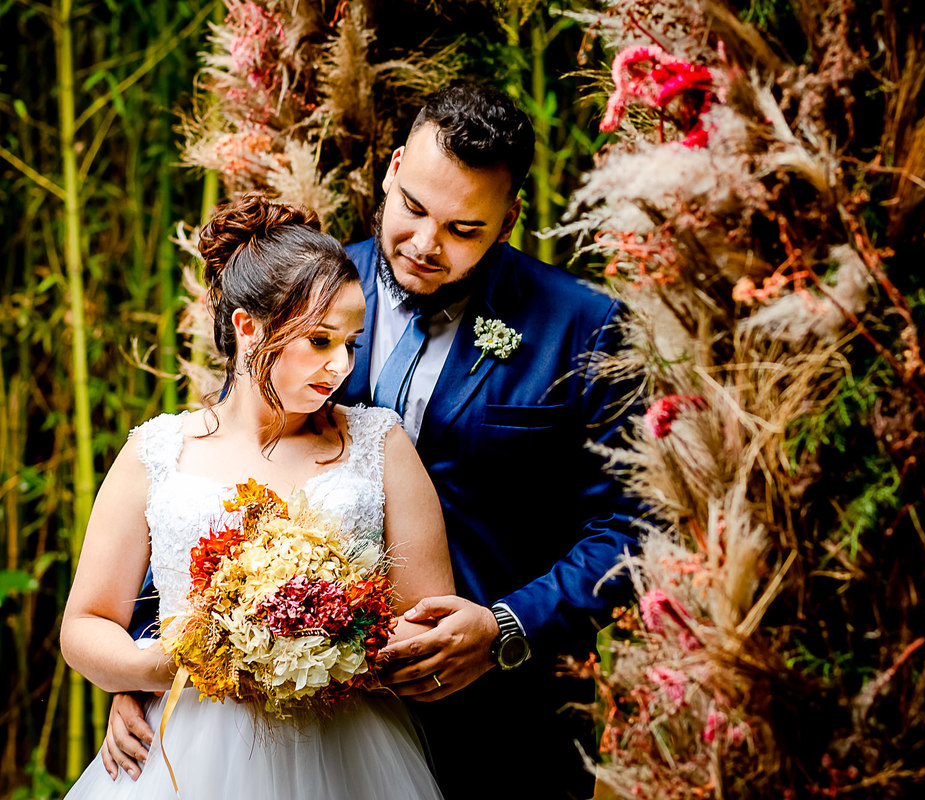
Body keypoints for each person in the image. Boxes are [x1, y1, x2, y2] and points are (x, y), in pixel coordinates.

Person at [106, 84, 641, 799]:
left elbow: (628, 529)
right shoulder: (300, 290)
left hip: (507, 727)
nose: (425, 244)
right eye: (414, 207)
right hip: (289, 733)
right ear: (391, 170)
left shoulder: (584, 326)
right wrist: (146, 663)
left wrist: (508, 626)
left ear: (509, 220)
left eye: (464, 229)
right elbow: (211, 469)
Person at [62, 194, 453, 799]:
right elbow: (86, 624)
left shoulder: (382, 444)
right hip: (183, 756)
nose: (341, 365)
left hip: (350, 752)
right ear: (248, 327)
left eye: (352, 342)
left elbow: (429, 625)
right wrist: (153, 671)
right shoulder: (157, 451)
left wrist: (333, 639)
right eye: (320, 341)